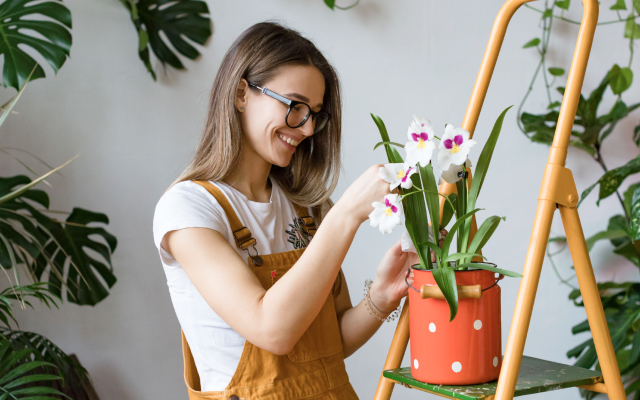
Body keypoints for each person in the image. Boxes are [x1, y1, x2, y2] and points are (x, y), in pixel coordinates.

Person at [153, 21, 439, 400]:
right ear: (242, 93)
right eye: (294, 106)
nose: (305, 129)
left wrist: (383, 296)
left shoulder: (308, 207)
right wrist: (346, 215)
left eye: (315, 113)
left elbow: (329, 343)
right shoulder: (189, 209)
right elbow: (272, 330)